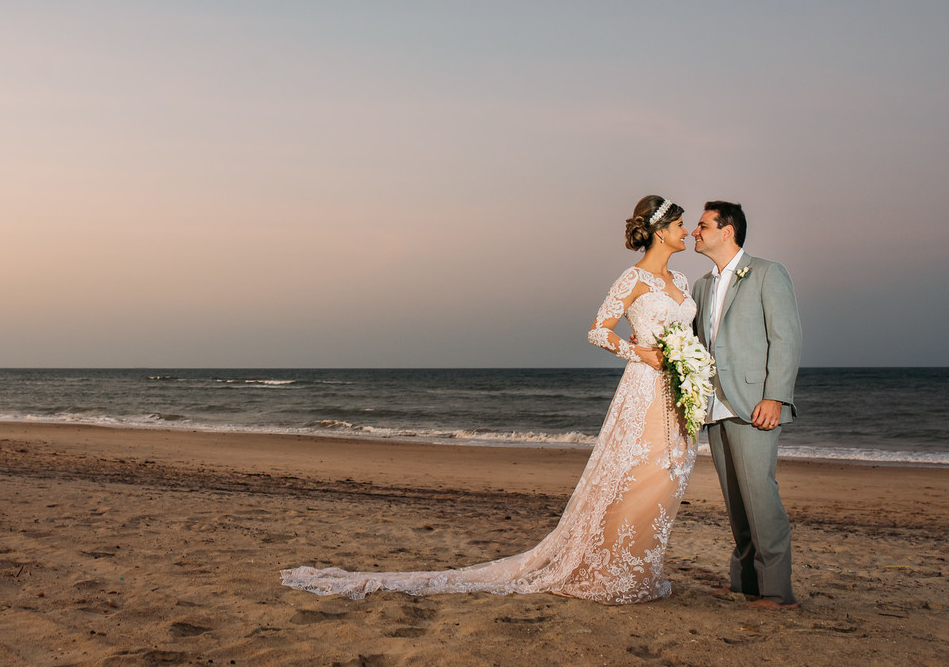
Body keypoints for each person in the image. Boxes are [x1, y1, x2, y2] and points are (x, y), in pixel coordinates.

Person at [281, 195, 697, 604]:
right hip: (643, 388)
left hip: (676, 390)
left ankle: (642, 569)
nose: (686, 231)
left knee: (662, 479)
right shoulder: (633, 279)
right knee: (631, 477)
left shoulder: (680, 282)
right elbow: (597, 330)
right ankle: (609, 572)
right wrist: (638, 351)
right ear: (660, 232)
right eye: (680, 225)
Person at [691, 201, 801, 610]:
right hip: (714, 407)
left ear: (727, 230)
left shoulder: (768, 273)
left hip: (755, 403)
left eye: (702, 226)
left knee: (761, 497)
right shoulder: (700, 286)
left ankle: (777, 592)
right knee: (736, 502)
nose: (693, 233)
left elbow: (786, 338)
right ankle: (746, 584)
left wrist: (776, 395)